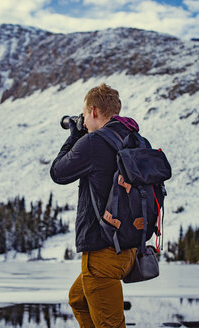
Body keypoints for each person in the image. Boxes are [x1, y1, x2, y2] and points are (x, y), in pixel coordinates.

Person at [50, 83, 140, 327]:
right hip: (129, 249)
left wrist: (74, 136)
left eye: (85, 115)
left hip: (102, 252)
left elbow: (58, 172)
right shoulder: (134, 138)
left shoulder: (95, 142)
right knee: (78, 299)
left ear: (93, 111)